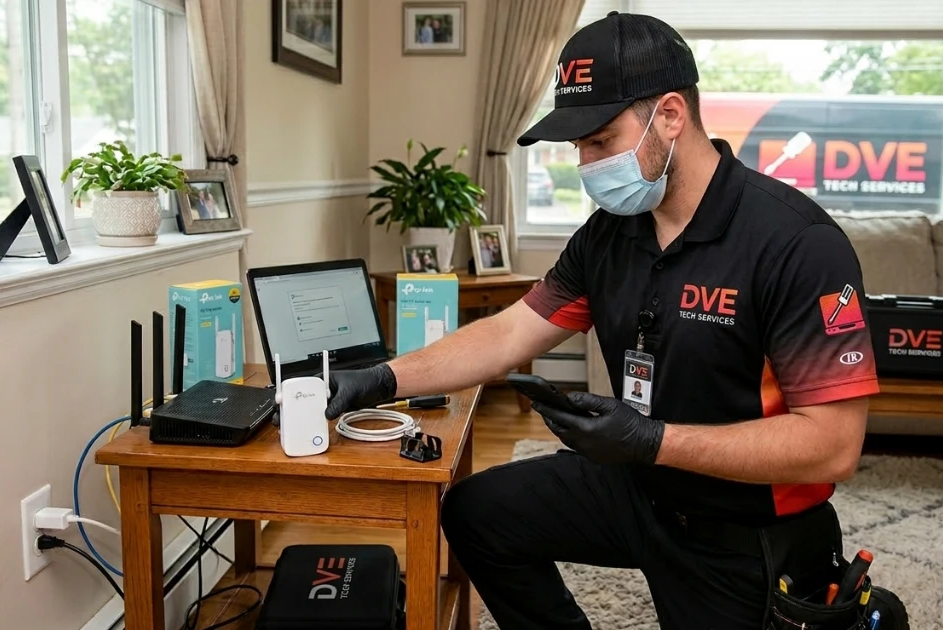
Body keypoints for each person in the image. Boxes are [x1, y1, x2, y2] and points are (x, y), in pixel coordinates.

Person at [323, 11, 878, 630]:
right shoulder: (611, 234)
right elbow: (512, 330)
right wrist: (381, 378)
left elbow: (833, 446)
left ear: (670, 116)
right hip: (640, 487)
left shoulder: (796, 244)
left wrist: (651, 438)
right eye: (577, 146)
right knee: (478, 512)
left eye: (600, 140)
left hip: (746, 529)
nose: (585, 163)